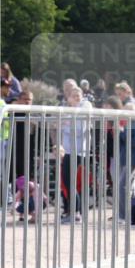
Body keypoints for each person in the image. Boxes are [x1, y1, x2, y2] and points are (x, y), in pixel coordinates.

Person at [56, 86, 93, 223]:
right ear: (69, 98)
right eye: (73, 95)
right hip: (69, 150)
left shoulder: (84, 107)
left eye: (78, 95)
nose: (77, 97)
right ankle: (73, 212)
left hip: (77, 151)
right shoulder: (69, 110)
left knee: (71, 183)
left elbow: (79, 130)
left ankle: (76, 213)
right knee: (67, 182)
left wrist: (65, 125)